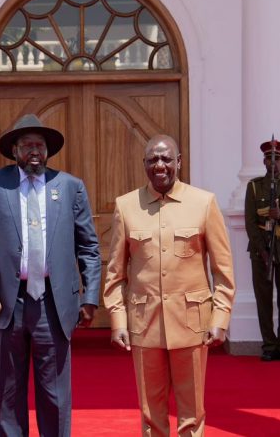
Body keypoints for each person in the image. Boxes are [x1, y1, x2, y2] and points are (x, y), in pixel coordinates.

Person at [0, 114, 101, 437]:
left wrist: (91, 297)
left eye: (39, 145)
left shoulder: (70, 187)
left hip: (53, 307)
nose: (34, 151)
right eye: (27, 145)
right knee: (8, 398)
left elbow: (89, 248)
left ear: (48, 150)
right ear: (14, 150)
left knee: (55, 396)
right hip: (8, 306)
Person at [104, 134, 236, 437]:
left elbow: (223, 270)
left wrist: (220, 318)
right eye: (152, 159)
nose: (159, 165)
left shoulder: (203, 203)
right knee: (151, 414)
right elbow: (114, 273)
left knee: (192, 413)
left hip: (192, 325)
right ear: (144, 165)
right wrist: (117, 320)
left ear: (179, 162)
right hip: (144, 324)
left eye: (166, 158)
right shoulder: (126, 206)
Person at [244, 139, 280, 362]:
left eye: (276, 159)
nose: (272, 163)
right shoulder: (254, 186)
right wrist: (262, 250)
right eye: (269, 159)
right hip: (261, 251)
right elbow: (250, 222)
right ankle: (269, 345)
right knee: (264, 299)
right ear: (263, 161)